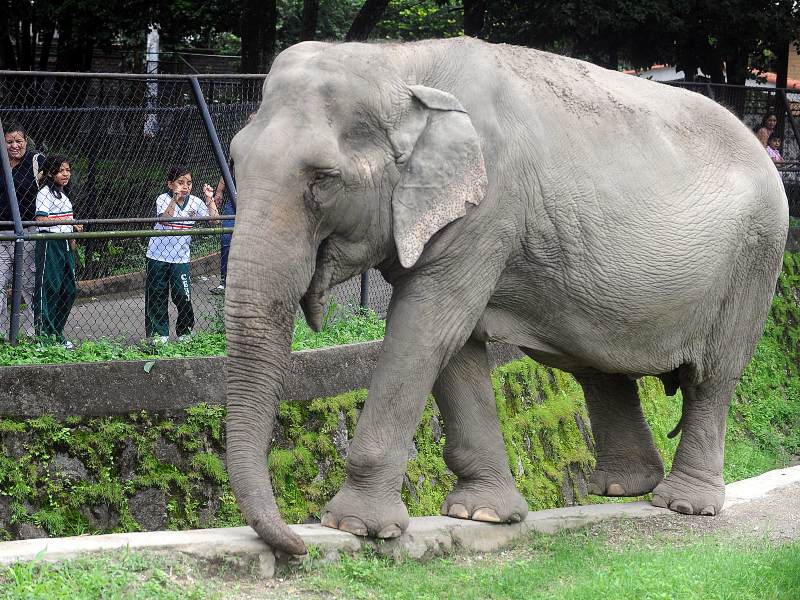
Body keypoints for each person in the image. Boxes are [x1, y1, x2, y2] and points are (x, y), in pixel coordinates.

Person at [145, 165, 219, 343]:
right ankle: (159, 335)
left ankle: (185, 332)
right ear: (170, 184)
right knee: (157, 295)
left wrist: (209, 199)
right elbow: (165, 219)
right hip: (157, 256)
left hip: (181, 258)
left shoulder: (195, 202)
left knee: (183, 295)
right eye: (180, 182)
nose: (185, 186)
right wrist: (174, 199)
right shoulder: (163, 198)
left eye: (189, 183)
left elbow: (215, 220)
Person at [0, 123, 44, 340]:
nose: (14, 146)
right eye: (9, 142)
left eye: (19, 141)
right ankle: (1, 333)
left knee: (29, 284)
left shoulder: (36, 161)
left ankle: (33, 332)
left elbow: (56, 184)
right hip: (2, 233)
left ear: (26, 141)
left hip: (28, 232)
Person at [34, 155, 82, 348]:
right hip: (50, 243)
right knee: (49, 288)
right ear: (50, 172)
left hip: (65, 246)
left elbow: (68, 222)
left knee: (68, 290)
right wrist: (67, 223)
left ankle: (56, 332)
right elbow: (41, 220)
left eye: (68, 170)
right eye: (61, 170)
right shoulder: (44, 193)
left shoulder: (64, 196)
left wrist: (72, 245)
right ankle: (44, 338)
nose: (65, 174)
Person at [210, 111, 257, 295]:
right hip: (234, 199)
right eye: (251, 122)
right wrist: (219, 191)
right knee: (226, 238)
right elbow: (228, 170)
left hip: (255, 202)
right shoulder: (238, 145)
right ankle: (225, 282)